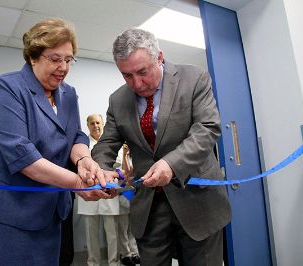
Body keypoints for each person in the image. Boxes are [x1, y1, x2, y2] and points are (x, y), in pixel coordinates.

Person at [0, 18, 116, 266]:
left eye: (68, 59)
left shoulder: (68, 94)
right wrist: (78, 184)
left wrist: (84, 160)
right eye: (55, 58)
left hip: (50, 213)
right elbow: (22, 154)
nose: (63, 67)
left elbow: (77, 136)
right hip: (9, 214)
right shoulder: (9, 87)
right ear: (33, 57)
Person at [91, 28, 231, 266]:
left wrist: (171, 163)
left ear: (159, 57)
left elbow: (207, 128)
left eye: (142, 72)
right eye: (126, 75)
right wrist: (102, 169)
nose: (136, 83)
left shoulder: (194, 78)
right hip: (149, 208)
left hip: (198, 201)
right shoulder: (118, 100)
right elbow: (106, 143)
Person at [77, 114, 120, 266]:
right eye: (92, 123)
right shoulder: (82, 146)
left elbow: (120, 167)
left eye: (98, 123)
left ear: (103, 124)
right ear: (87, 125)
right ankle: (93, 263)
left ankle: (114, 263)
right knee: (91, 235)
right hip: (88, 195)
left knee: (112, 234)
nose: (95, 126)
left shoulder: (112, 144)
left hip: (109, 195)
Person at [117, 144, 140, 266]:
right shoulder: (120, 156)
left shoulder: (136, 156)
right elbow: (126, 174)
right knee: (123, 228)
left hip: (135, 197)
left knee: (132, 228)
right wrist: (124, 155)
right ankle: (125, 254)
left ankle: (134, 253)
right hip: (123, 195)